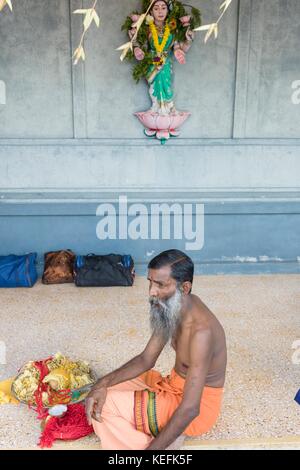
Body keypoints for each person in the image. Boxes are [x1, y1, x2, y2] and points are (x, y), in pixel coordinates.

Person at [86, 249, 227, 450]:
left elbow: (190, 408)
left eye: (160, 284)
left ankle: (151, 444)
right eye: (150, 282)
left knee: (104, 408)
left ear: (184, 288)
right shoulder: (172, 307)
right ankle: (167, 432)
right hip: (173, 386)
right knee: (102, 390)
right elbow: (146, 359)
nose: (152, 291)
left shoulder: (201, 332)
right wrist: (101, 384)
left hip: (195, 409)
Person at [133, 0, 194, 114]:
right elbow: (142, 46)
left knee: (166, 84)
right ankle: (156, 106)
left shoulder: (172, 28)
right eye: (156, 8)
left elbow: (179, 47)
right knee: (154, 83)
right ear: (150, 11)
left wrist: (188, 41)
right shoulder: (147, 29)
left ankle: (169, 107)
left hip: (165, 61)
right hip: (152, 60)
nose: (160, 11)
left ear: (168, 10)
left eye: (163, 8)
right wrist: (137, 48)